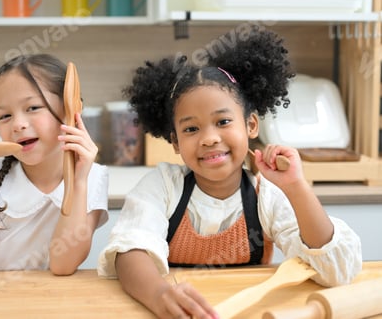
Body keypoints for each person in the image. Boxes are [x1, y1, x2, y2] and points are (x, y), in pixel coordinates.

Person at [98, 24, 362, 319]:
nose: (209, 138)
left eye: (222, 122)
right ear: (175, 142)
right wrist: (160, 295)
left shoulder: (268, 195)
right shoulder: (162, 186)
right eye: (191, 128)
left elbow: (336, 270)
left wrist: (296, 186)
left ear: (250, 125)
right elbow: (130, 251)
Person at [0, 54, 108, 281]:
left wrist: (78, 181)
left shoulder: (92, 176)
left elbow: (63, 264)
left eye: (33, 107)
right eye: (5, 115)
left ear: (71, 109)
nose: (18, 124)